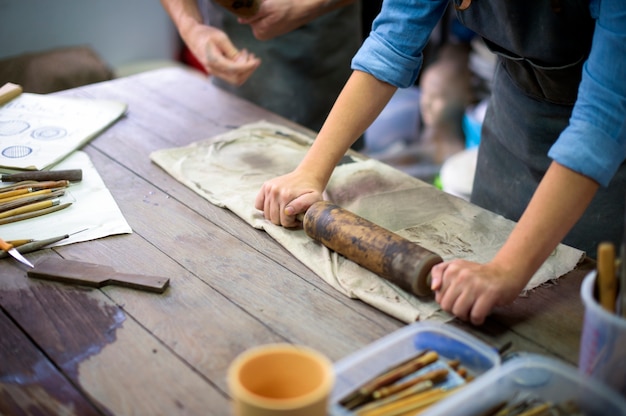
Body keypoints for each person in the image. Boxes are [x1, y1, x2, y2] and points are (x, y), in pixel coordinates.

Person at [255, 0, 626, 325]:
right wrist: (310, 172)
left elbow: (600, 124)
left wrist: (506, 270)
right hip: (516, 118)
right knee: (478, 269)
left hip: (607, 155)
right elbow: (389, 44)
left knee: (574, 305)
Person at [160, 0, 362, 136]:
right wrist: (192, 27)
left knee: (334, 162)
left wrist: (308, 5)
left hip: (322, 38)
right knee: (238, 138)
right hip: (231, 32)